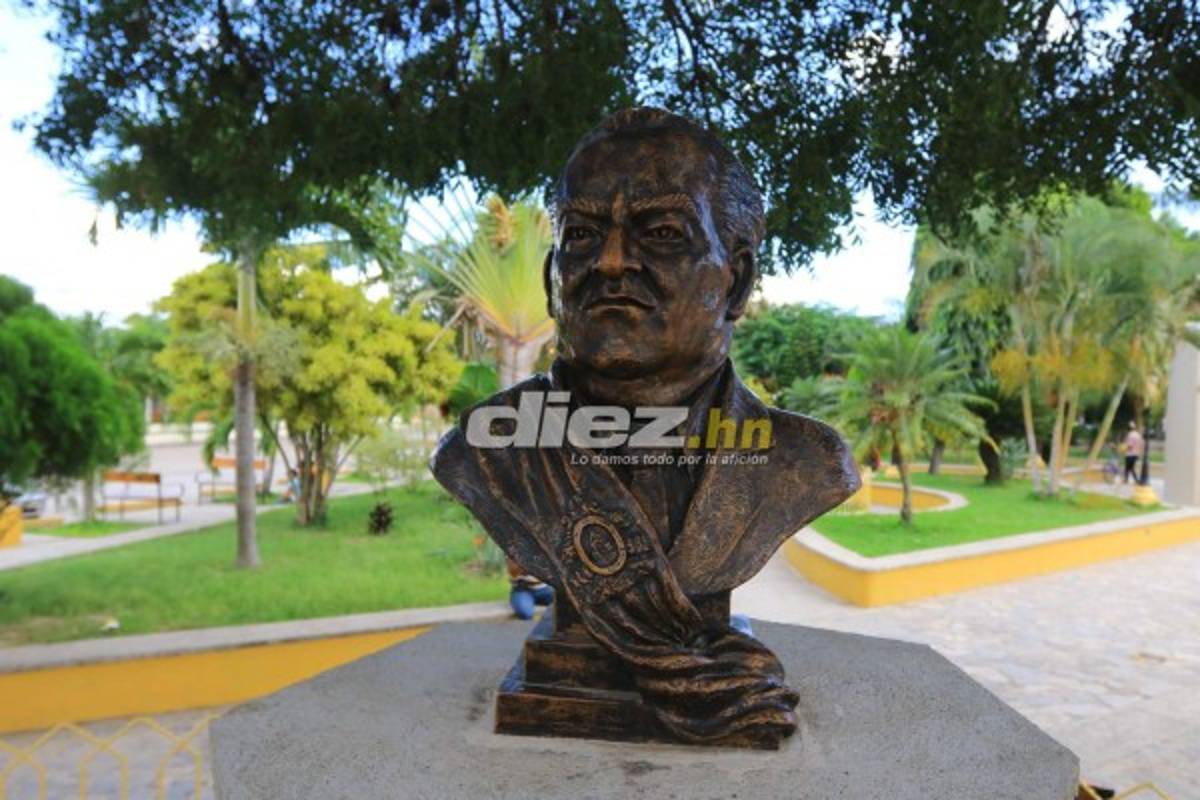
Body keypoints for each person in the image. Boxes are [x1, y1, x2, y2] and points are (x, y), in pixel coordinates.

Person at [431, 107, 858, 746]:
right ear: (553, 283)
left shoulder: (806, 461)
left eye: (660, 231)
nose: (608, 262)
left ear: (736, 280)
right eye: (580, 234)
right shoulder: (487, 450)